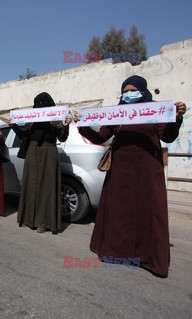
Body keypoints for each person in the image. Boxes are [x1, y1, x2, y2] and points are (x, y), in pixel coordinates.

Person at [73, 75, 187, 277]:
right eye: (124, 91)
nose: (128, 94)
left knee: (148, 210)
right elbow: (101, 136)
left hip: (147, 171)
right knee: (119, 211)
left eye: (132, 90)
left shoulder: (156, 110)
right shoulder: (117, 113)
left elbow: (168, 135)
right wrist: (82, 125)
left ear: (143, 91)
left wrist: (176, 117)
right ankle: (115, 253)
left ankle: (149, 259)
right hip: (120, 171)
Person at [10, 92, 71, 233]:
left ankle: (43, 222)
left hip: (49, 151)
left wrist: (66, 125)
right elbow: (23, 134)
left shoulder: (55, 118)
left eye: (44, 104)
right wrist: (14, 125)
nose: (40, 106)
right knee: (30, 185)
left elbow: (62, 137)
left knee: (46, 188)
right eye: (38, 103)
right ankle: (28, 219)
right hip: (32, 151)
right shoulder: (31, 119)